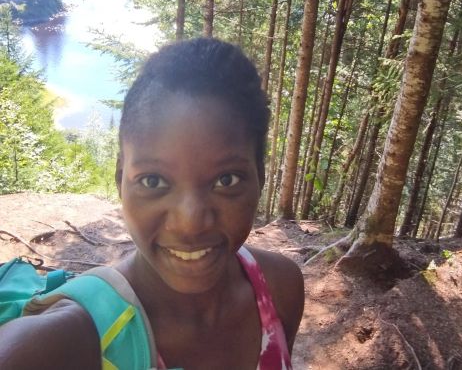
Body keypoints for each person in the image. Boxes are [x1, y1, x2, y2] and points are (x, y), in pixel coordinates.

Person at [0, 37, 305, 369]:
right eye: (153, 181)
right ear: (120, 178)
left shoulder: (280, 286)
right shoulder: (61, 343)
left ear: (260, 176)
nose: (190, 222)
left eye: (226, 180)